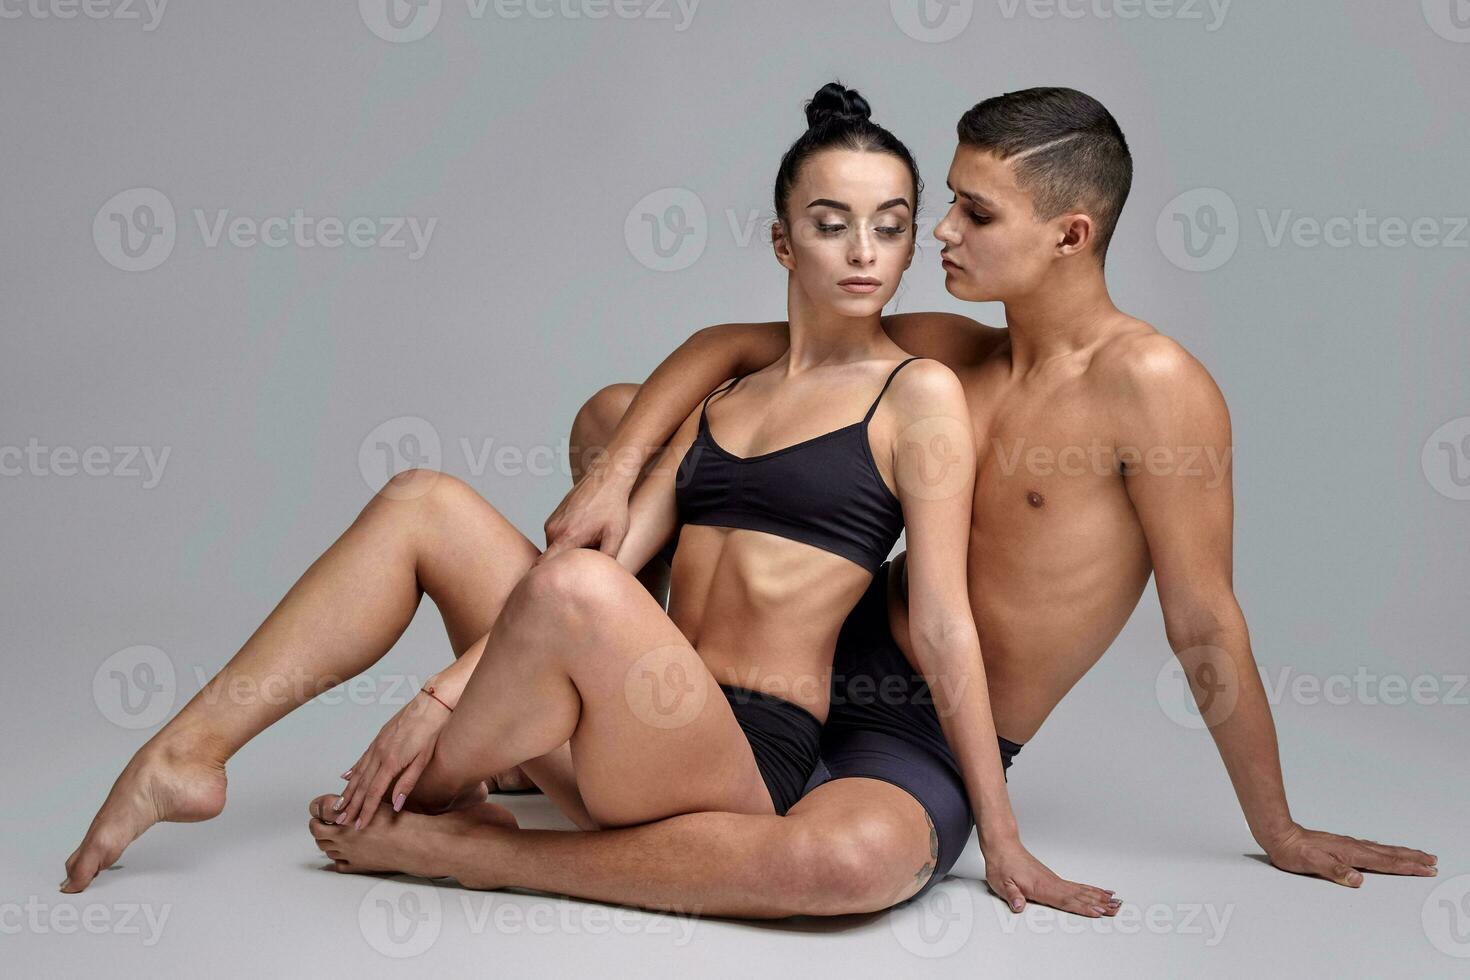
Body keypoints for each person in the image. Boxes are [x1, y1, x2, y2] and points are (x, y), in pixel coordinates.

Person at [302, 86, 1435, 916]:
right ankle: (563, 707)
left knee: (845, 869)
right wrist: (613, 465)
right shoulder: (955, 348)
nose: (934, 233)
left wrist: (1273, 824)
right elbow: (735, 343)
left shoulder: (1153, 386)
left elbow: (1203, 620)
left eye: (972, 214)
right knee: (615, 412)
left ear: (1070, 234)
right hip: (791, 671)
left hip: (930, 724)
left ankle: (483, 851)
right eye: (941, 203)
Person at [64, 83, 1107, 915]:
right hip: (627, 714)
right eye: (832, 225)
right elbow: (600, 561)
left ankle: (434, 804)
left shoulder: (915, 394)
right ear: (784, 242)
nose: (867, 253)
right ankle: (183, 755)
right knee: (424, 498)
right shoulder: (728, 386)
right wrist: (464, 682)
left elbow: (941, 621)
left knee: (578, 592)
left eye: (891, 225)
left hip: (740, 754)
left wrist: (1001, 832)